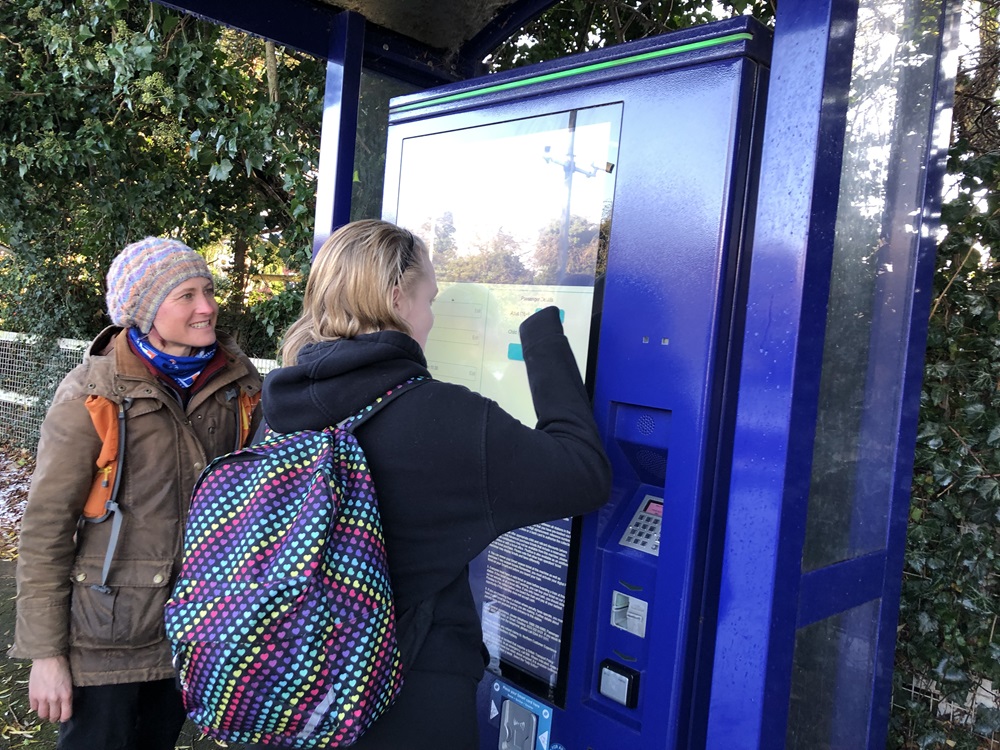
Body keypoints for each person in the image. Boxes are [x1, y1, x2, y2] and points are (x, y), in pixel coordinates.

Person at [248, 219, 611, 750]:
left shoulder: (283, 406)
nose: (433, 318)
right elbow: (584, 472)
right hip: (408, 697)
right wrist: (543, 333)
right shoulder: (441, 416)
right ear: (397, 298)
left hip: (297, 687)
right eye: (431, 300)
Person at [10, 237, 263, 750]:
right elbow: (45, 528)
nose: (207, 306)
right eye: (187, 295)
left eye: (209, 290)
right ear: (146, 311)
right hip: (103, 641)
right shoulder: (93, 393)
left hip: (192, 631)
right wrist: (45, 655)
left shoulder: (239, 385)